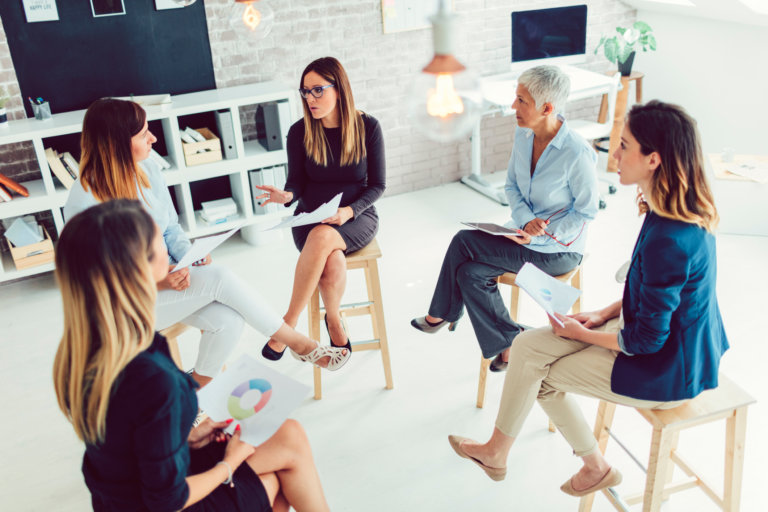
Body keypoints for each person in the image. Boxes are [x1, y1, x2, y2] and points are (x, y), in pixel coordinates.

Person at [447, 101, 728, 497]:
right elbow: (648, 288)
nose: (614, 153)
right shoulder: (667, 209)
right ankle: (498, 452)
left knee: (536, 376)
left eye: (624, 145)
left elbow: (646, 341)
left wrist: (581, 334)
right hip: (652, 334)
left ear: (653, 159)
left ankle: (591, 466)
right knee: (526, 345)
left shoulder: (672, 237)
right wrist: (598, 314)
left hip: (669, 368)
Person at [52, 200, 331, 512]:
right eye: (158, 242)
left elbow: (129, 434)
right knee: (276, 481)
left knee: (290, 435)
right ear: (140, 269)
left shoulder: (88, 345)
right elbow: (166, 500)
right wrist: (229, 464)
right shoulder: (150, 376)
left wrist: (186, 435)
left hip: (121, 494)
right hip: (159, 500)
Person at [63, 98, 349, 386]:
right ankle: (298, 343)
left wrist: (189, 256)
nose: (153, 138)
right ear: (115, 144)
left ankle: (193, 393)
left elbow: (170, 227)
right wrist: (161, 281)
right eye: (142, 134)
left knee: (229, 322)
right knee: (220, 277)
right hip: (123, 306)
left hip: (169, 279)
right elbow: (99, 276)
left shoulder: (147, 169)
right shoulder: (85, 201)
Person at [411, 65, 599, 371]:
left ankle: (442, 314)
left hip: (559, 251)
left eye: (522, 100)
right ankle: (510, 342)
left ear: (547, 108)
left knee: (463, 242)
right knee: (470, 273)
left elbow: (586, 212)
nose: (514, 106)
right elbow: (511, 186)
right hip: (523, 237)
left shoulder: (577, 153)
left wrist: (541, 233)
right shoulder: (524, 135)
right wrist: (526, 223)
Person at [253, 57, 386, 360]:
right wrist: (286, 196)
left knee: (324, 237)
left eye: (317, 90)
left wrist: (347, 212)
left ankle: (287, 324)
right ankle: (334, 318)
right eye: (305, 92)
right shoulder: (299, 132)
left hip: (356, 216)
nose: (309, 99)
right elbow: (296, 183)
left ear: (339, 89)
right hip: (310, 217)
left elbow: (378, 185)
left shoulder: (368, 126)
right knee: (331, 258)